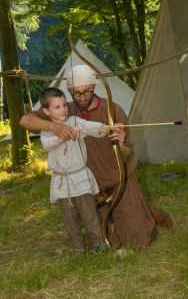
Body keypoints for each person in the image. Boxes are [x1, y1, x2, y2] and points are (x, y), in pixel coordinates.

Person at [20, 65, 173, 249]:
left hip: (119, 181)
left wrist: (122, 143)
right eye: (76, 93)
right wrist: (54, 127)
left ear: (94, 87)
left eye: (87, 91)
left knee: (138, 242)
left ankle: (147, 212)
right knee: (109, 242)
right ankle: (141, 210)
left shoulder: (113, 110)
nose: (82, 97)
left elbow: (128, 155)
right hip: (89, 187)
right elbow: (25, 121)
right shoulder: (62, 110)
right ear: (69, 91)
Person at [39, 87, 110, 255]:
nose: (63, 109)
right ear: (46, 111)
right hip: (62, 182)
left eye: (64, 105)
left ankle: (98, 243)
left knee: (89, 214)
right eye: (57, 107)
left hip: (80, 178)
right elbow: (46, 144)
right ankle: (77, 247)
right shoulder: (47, 129)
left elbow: (90, 127)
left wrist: (103, 128)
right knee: (69, 218)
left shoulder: (75, 122)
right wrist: (62, 134)